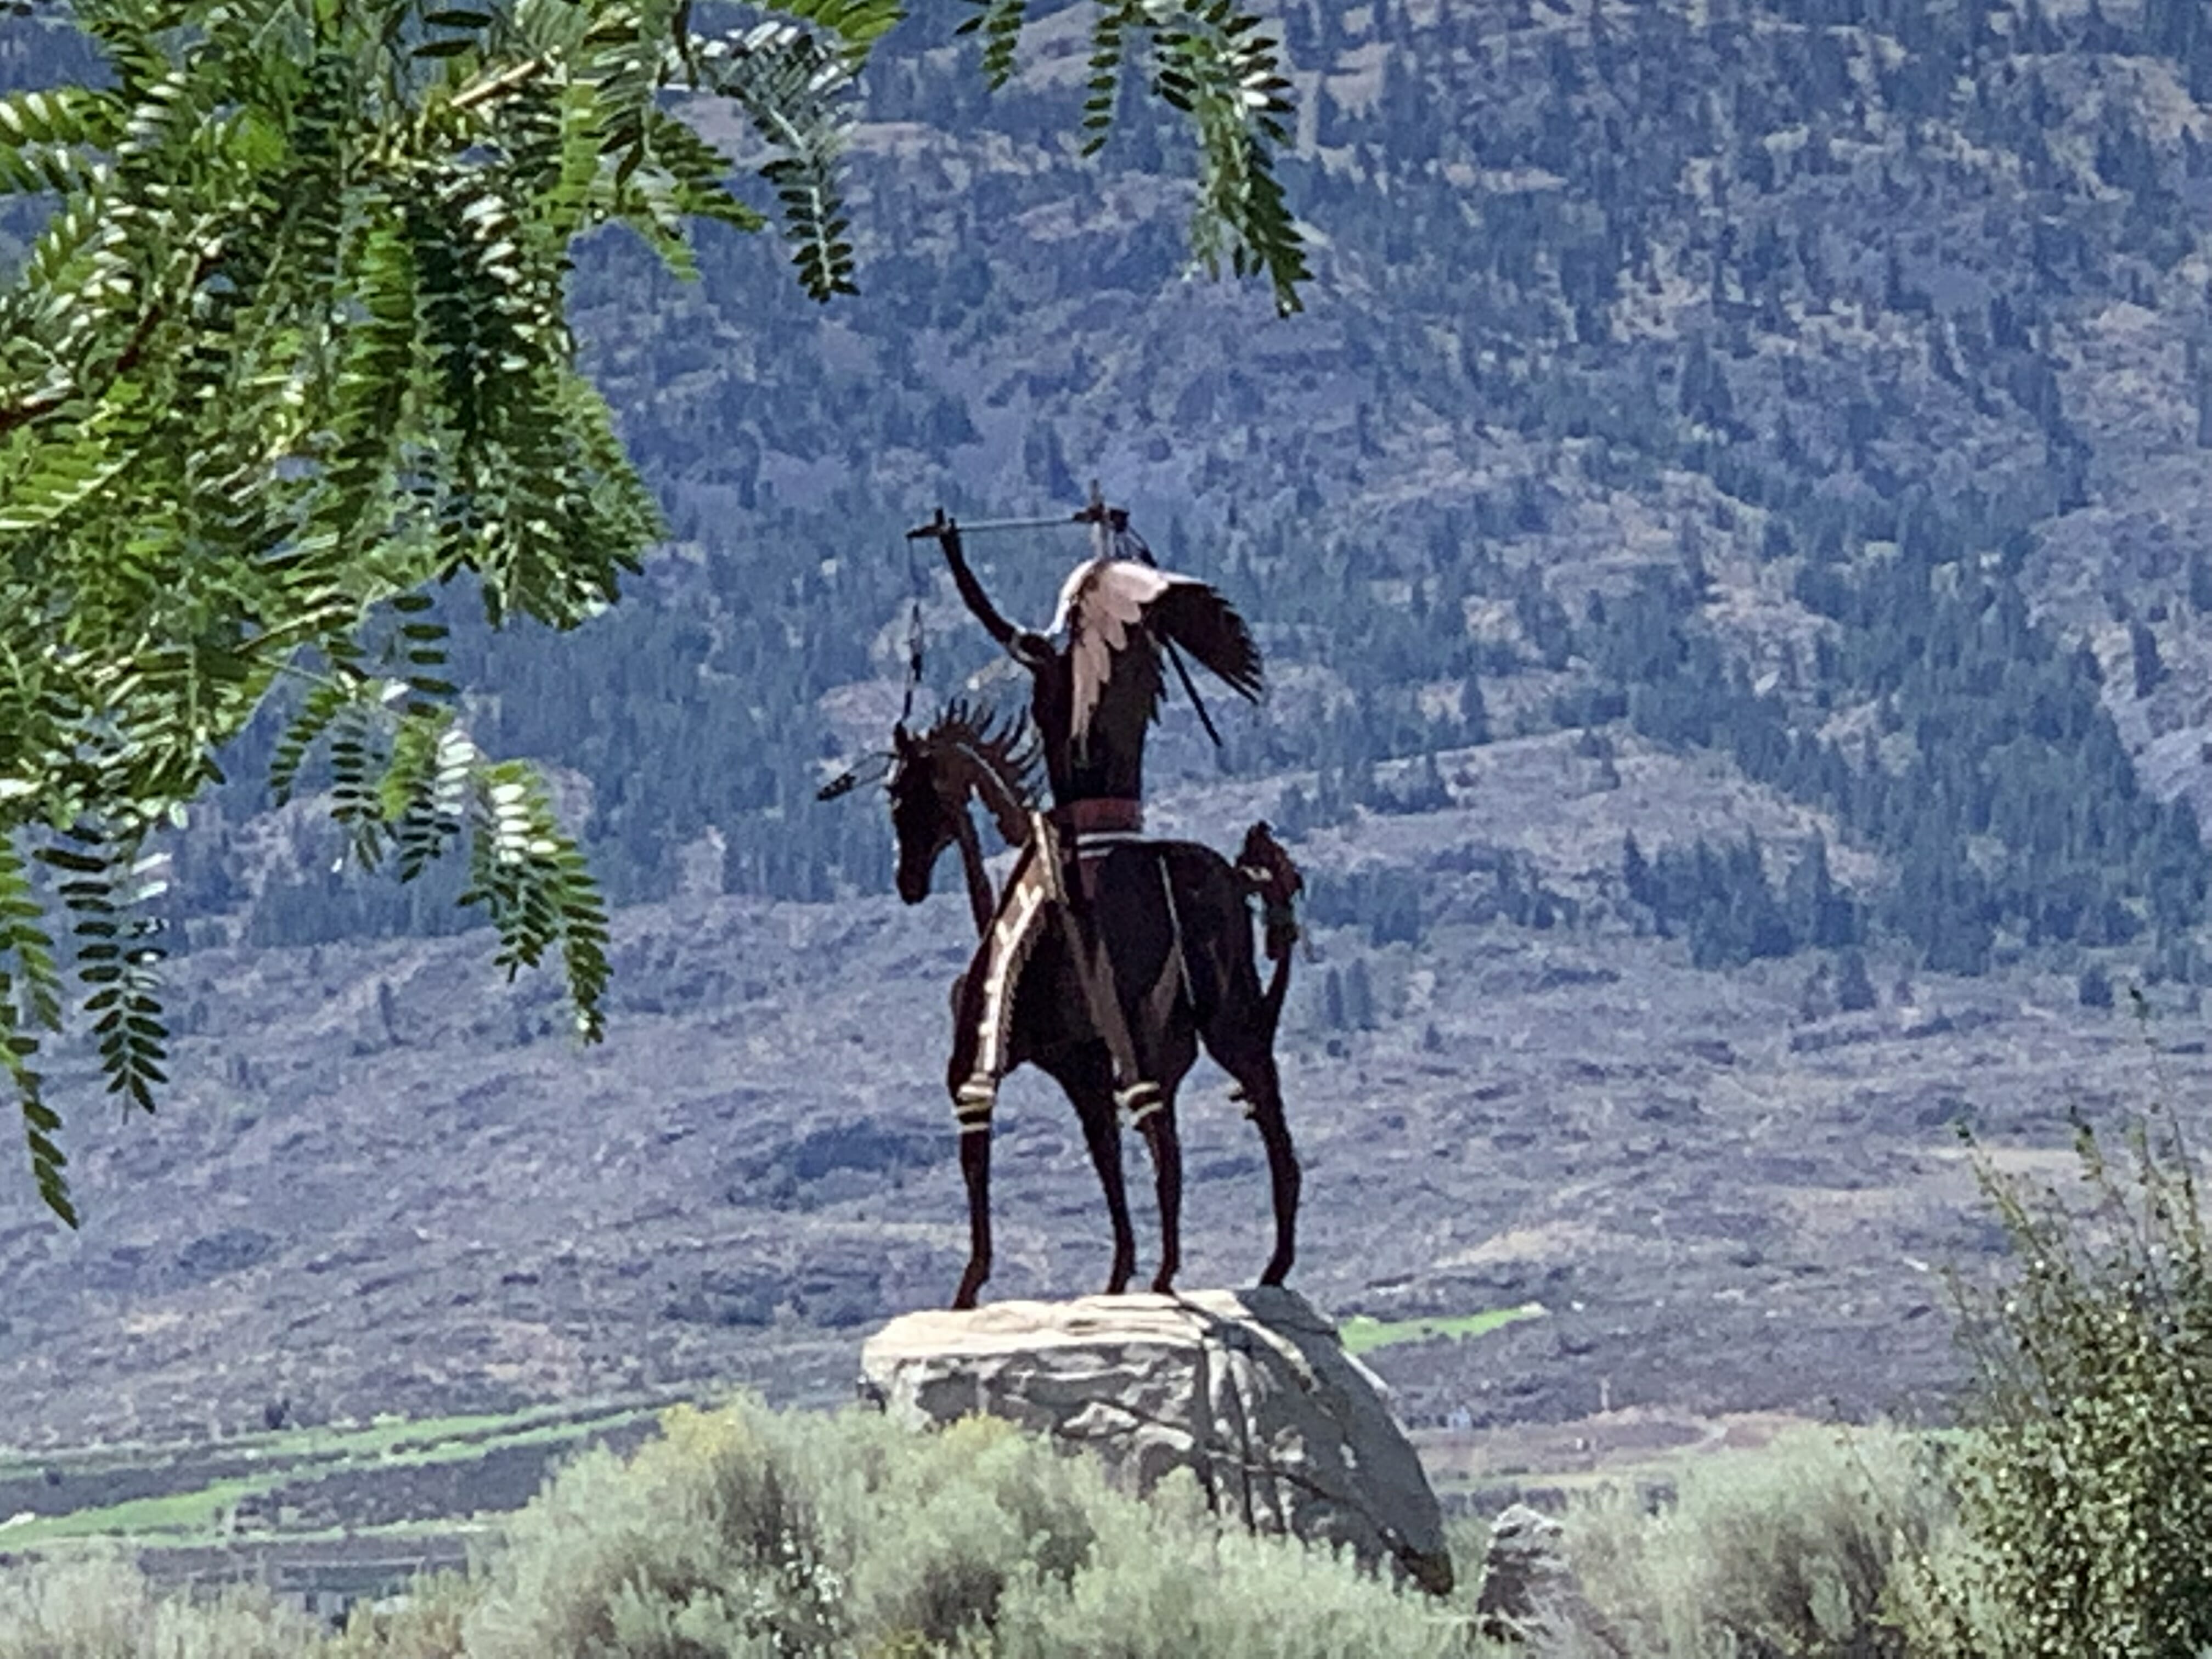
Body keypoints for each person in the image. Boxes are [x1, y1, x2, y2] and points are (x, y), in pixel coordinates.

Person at [907, 493, 1264, 1135]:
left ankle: (981, 1065)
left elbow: (989, 619)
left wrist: (955, 557)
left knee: (1003, 946)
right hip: (1128, 826)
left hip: (1075, 838)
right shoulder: (1124, 678)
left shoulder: (1051, 661)